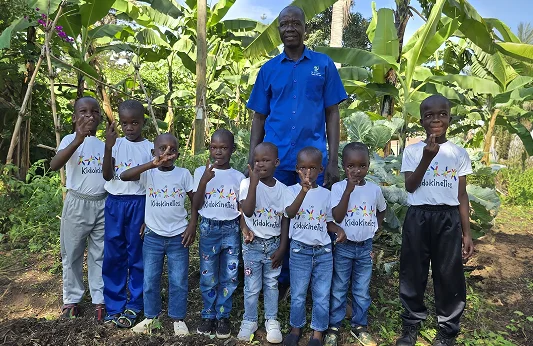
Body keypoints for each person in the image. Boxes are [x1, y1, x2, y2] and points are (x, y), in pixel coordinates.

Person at [246, 5, 347, 294]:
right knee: (278, 217)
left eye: (295, 23)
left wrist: (331, 159)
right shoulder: (268, 70)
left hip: (310, 162)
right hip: (274, 162)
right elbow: (259, 117)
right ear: (278, 30)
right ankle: (276, 279)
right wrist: (253, 159)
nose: (289, 28)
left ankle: (303, 281)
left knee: (309, 219)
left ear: (305, 27)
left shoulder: (323, 65)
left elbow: (332, 113)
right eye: (284, 24)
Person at [396, 94, 474, 346]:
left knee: (449, 273)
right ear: (421, 121)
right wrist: (427, 157)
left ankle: (448, 329)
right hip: (418, 216)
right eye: (429, 115)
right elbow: (410, 186)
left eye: (442, 114)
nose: (436, 119)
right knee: (413, 270)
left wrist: (467, 233)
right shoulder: (412, 150)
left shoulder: (458, 153)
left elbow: (461, 195)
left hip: (448, 217)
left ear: (450, 118)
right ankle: (411, 324)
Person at [119, 133, 196, 336]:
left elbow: (195, 200)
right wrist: (150, 165)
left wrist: (192, 225)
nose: (166, 153)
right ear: (154, 152)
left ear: (178, 154)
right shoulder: (148, 173)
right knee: (150, 279)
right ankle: (151, 317)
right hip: (153, 237)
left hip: (179, 237)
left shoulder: (183, 174)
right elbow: (124, 176)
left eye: (172, 150)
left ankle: (178, 318)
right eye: (162, 149)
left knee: (178, 280)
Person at [324, 142, 387, 346]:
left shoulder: (374, 190)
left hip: (365, 247)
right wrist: (349, 191)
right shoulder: (338, 187)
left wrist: (376, 227)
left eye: (362, 165)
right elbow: (337, 215)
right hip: (343, 247)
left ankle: (359, 326)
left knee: (361, 289)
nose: (356, 171)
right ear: (344, 166)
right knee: (339, 287)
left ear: (368, 165)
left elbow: (381, 209)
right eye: (351, 166)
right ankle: (334, 326)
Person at [50, 96, 107, 321]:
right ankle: (71, 299)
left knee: (99, 253)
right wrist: (78, 139)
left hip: (102, 202)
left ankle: (99, 299)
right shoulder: (68, 140)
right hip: (76, 202)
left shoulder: (104, 145)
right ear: (74, 118)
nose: (89, 116)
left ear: (100, 118)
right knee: (72, 253)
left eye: (94, 112)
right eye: (83, 112)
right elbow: (55, 165)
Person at [282, 147, 345, 346]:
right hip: (299, 250)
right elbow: (290, 213)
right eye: (303, 168)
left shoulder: (326, 195)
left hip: (323, 252)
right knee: (299, 292)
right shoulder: (291, 190)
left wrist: (338, 230)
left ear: (321, 169)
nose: (307, 173)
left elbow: (327, 221)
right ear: (296, 169)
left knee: (321, 294)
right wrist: (303, 190)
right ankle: (295, 328)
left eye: (312, 168)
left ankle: (317, 333)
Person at [101, 100, 153, 327]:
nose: (130, 127)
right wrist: (108, 147)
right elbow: (106, 175)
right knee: (114, 254)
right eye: (125, 123)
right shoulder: (116, 144)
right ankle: (114, 306)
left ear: (143, 122)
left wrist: (148, 216)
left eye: (134, 122)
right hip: (115, 203)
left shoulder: (150, 147)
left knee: (137, 255)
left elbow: (153, 183)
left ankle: (135, 305)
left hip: (139, 204)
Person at [237, 142, 293, 344]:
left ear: (276, 162)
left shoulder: (284, 190)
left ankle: (271, 320)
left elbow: (286, 219)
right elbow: (248, 211)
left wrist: (283, 247)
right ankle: (249, 320)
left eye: (266, 160)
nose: (260, 164)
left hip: (273, 245)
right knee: (251, 286)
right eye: (257, 160)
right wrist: (253, 183)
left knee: (271, 285)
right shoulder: (246, 184)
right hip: (251, 245)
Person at [193, 129, 245, 339]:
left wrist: (244, 229)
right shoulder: (200, 172)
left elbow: (240, 208)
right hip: (208, 228)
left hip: (231, 229)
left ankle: (223, 315)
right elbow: (196, 205)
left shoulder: (239, 177)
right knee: (208, 274)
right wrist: (204, 180)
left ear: (232, 149)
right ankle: (208, 315)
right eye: (214, 147)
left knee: (230, 276)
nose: (218, 152)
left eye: (224, 148)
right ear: (210, 148)